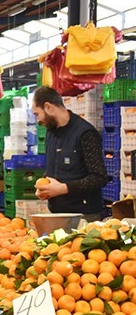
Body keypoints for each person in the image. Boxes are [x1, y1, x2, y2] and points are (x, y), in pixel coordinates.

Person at [32, 86, 107, 221]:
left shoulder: (85, 133)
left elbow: (99, 177)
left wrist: (63, 188)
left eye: (37, 114)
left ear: (48, 107)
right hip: (56, 213)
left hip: (83, 217)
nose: (37, 120)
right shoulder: (51, 132)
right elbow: (55, 167)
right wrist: (46, 186)